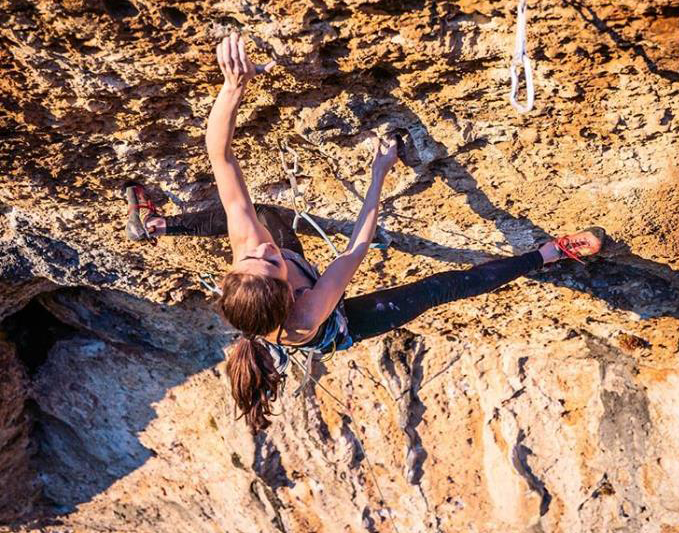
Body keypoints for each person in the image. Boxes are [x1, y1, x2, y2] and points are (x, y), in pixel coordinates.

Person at [125, 32, 604, 432]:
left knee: (259, 213)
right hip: (342, 327)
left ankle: (156, 225)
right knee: (441, 288)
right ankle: (548, 253)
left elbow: (220, 156)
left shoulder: (251, 253)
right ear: (287, 293)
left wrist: (231, 87)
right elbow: (358, 242)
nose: (266, 249)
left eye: (255, 256)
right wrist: (380, 171)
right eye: (271, 262)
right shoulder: (309, 313)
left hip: (273, 293)